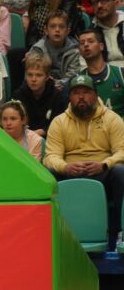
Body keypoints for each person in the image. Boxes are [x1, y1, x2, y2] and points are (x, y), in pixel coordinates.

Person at [44, 72, 124, 246]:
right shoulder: (59, 122)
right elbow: (51, 156)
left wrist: (104, 165)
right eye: (76, 93)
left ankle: (120, 231)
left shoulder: (112, 119)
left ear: (95, 95)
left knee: (120, 172)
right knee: (48, 174)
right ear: (69, 97)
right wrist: (65, 167)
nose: (81, 97)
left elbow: (122, 151)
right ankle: (49, 232)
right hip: (71, 173)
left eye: (86, 92)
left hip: (102, 174)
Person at [10, 52, 65, 137]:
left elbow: (60, 125)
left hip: (50, 139)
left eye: (39, 75)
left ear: (47, 76)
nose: (33, 79)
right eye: (30, 75)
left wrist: (43, 131)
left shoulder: (57, 96)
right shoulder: (18, 96)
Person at [28, 10, 84, 89]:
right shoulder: (38, 49)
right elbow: (34, 75)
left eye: (61, 26)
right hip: (43, 87)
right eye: (52, 26)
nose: (57, 30)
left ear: (67, 31)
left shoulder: (74, 50)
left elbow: (73, 75)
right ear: (46, 30)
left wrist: (59, 84)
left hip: (66, 88)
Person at [78, 28, 124, 118]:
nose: (86, 45)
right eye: (82, 43)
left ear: (101, 46)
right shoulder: (77, 80)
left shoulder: (121, 74)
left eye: (90, 41)